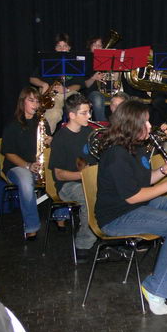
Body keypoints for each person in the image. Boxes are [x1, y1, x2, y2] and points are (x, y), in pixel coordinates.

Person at [95, 100, 167, 315]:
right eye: (145, 123)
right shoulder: (116, 155)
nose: (150, 126)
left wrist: (162, 172)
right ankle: (156, 289)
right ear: (131, 125)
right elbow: (132, 196)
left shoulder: (134, 148)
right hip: (117, 217)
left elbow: (141, 181)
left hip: (137, 205)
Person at [48, 93, 99, 263]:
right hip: (67, 185)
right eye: (84, 113)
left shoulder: (89, 132)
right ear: (72, 115)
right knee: (88, 196)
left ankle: (113, 232)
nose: (89, 116)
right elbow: (59, 174)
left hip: (87, 179)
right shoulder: (60, 139)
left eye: (89, 112)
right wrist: (86, 175)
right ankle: (83, 243)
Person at [1, 87, 53, 240]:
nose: (35, 104)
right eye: (31, 100)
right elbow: (8, 153)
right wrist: (28, 165)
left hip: (39, 166)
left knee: (59, 172)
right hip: (17, 167)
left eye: (37, 101)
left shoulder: (42, 123)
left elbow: (48, 148)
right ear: (22, 102)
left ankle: (61, 215)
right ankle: (31, 226)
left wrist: (50, 141)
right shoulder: (12, 125)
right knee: (25, 181)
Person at [29, 33, 85, 132]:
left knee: (80, 110)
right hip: (52, 93)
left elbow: (79, 84)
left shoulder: (75, 61)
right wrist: (44, 84)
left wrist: (66, 89)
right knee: (53, 114)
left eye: (65, 46)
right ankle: (46, 140)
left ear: (69, 48)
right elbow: (32, 78)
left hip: (69, 92)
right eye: (59, 46)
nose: (62, 49)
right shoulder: (47, 61)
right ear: (55, 48)